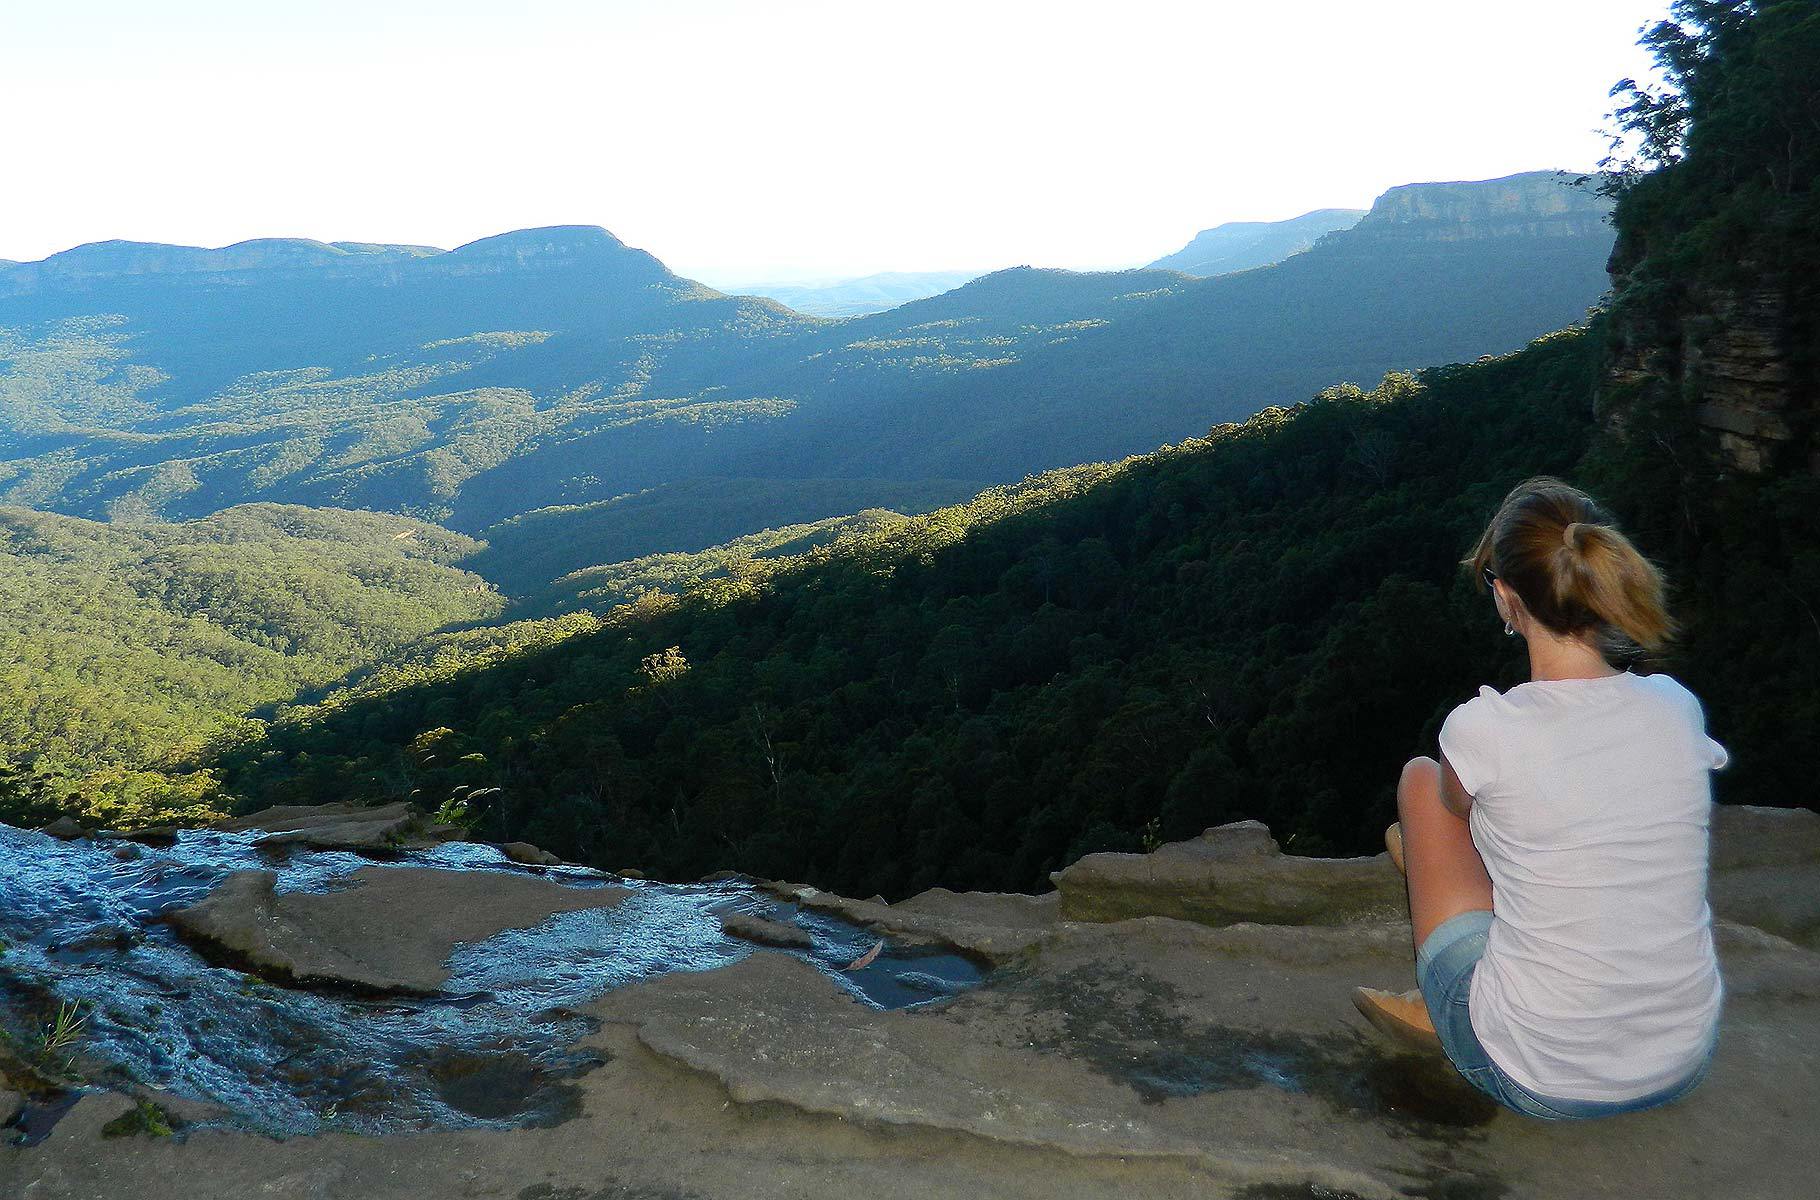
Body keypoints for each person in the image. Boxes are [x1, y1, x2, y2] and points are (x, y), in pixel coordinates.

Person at [1352, 476, 1727, 1120]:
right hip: (1682, 1058)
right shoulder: (1675, 706)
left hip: (1539, 1074)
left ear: (1505, 595)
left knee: (1422, 782)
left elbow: (1459, 810)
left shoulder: (1484, 729)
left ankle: (1449, 1011)